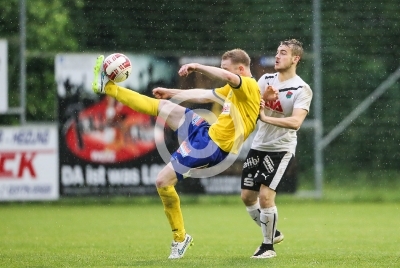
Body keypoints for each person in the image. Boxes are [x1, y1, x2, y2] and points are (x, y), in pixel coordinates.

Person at [92, 49, 277, 259]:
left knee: (162, 181)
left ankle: (180, 238)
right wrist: (171, 93)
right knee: (163, 106)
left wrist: (196, 66)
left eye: (226, 68)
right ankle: (109, 87)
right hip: (206, 133)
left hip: (211, 148)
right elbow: (204, 94)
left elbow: (226, 76)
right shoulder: (235, 90)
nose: (223, 72)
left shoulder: (249, 85)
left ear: (240, 69)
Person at [240, 39, 313, 259]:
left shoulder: (302, 89)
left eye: (283, 53)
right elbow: (251, 106)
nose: (277, 56)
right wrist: (263, 99)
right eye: (277, 52)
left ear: (295, 59)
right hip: (258, 146)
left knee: (265, 197)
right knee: (247, 197)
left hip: (281, 149)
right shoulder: (266, 80)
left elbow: (295, 122)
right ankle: (273, 231)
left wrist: (264, 117)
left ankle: (267, 246)